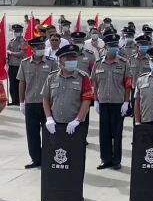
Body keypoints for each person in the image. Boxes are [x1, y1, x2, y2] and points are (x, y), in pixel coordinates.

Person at [91, 34, 132, 170]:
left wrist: (126, 102)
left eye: (115, 46)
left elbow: (127, 85)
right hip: (103, 102)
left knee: (117, 133)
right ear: (105, 47)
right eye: (111, 46)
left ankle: (116, 160)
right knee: (104, 132)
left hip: (118, 103)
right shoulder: (98, 64)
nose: (114, 49)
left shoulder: (124, 63)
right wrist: (95, 100)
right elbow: (94, 84)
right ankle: (105, 159)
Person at [17, 36, 57, 168]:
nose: (41, 49)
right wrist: (21, 102)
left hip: (47, 104)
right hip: (31, 103)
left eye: (42, 47)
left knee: (49, 133)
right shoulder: (25, 63)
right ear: (32, 49)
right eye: (38, 47)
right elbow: (22, 83)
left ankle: (49, 158)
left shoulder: (51, 62)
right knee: (32, 133)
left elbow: (56, 82)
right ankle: (35, 159)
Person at [41, 44, 93, 137]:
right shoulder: (51, 77)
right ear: (60, 61)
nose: (72, 61)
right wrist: (49, 118)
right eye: (68, 59)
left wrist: (77, 120)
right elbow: (45, 98)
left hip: (75, 124)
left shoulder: (83, 77)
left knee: (75, 151)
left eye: (74, 58)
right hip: (55, 123)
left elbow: (87, 100)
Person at [7, 24, 27, 105]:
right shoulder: (11, 41)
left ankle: (20, 100)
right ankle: (14, 100)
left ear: (21, 32)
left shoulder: (23, 42)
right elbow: (7, 50)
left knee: (20, 84)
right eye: (15, 31)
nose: (16, 32)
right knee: (12, 84)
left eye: (18, 31)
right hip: (11, 66)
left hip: (20, 66)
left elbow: (21, 53)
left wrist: (11, 53)